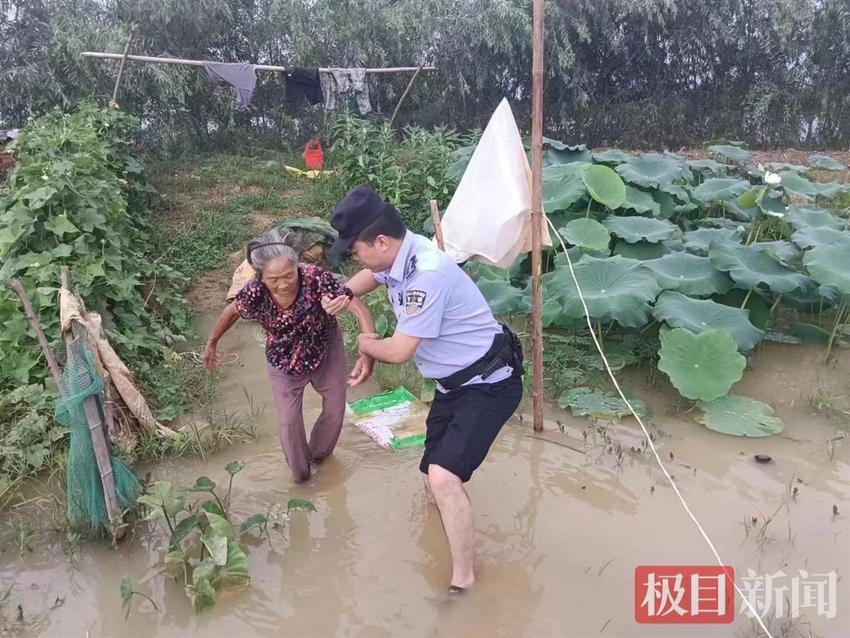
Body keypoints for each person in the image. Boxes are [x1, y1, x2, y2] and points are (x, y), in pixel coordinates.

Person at [321, 185, 524, 594]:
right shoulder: (400, 254)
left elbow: (397, 351)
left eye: (355, 250)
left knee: (444, 477)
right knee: (430, 475)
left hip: (488, 384)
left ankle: (463, 583)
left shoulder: (426, 274)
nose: (354, 259)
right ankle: (444, 528)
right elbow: (371, 275)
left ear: (381, 241)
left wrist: (364, 343)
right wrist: (346, 292)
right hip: (454, 385)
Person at [203, 228, 375, 483]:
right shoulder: (255, 292)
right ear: (261, 277)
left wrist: (368, 349)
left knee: (335, 409)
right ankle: (302, 478)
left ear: (298, 267)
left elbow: (357, 308)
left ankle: (319, 457)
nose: (283, 284)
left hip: (324, 348)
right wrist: (212, 344)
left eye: (288, 275)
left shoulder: (315, 278)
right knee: (288, 422)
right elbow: (231, 312)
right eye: (274, 279)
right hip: (283, 359)